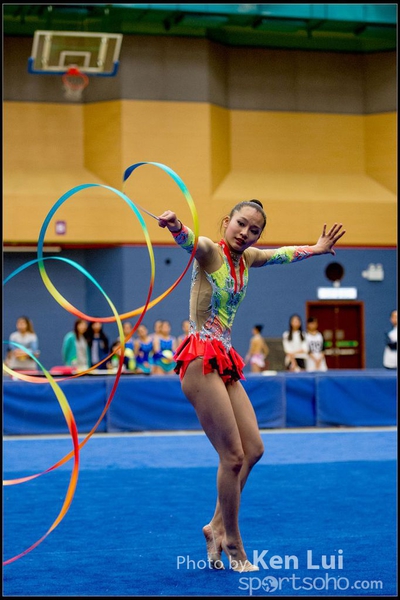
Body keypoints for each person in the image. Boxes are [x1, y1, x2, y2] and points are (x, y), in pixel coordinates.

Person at [158, 199, 345, 572]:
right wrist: (176, 225)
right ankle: (233, 542)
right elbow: (192, 241)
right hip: (200, 359)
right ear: (227, 221)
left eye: (254, 230)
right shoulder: (210, 252)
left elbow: (282, 255)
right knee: (232, 457)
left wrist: (317, 248)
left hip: (223, 359)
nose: (245, 233)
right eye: (241, 224)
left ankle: (215, 526)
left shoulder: (248, 259)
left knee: (254, 449)